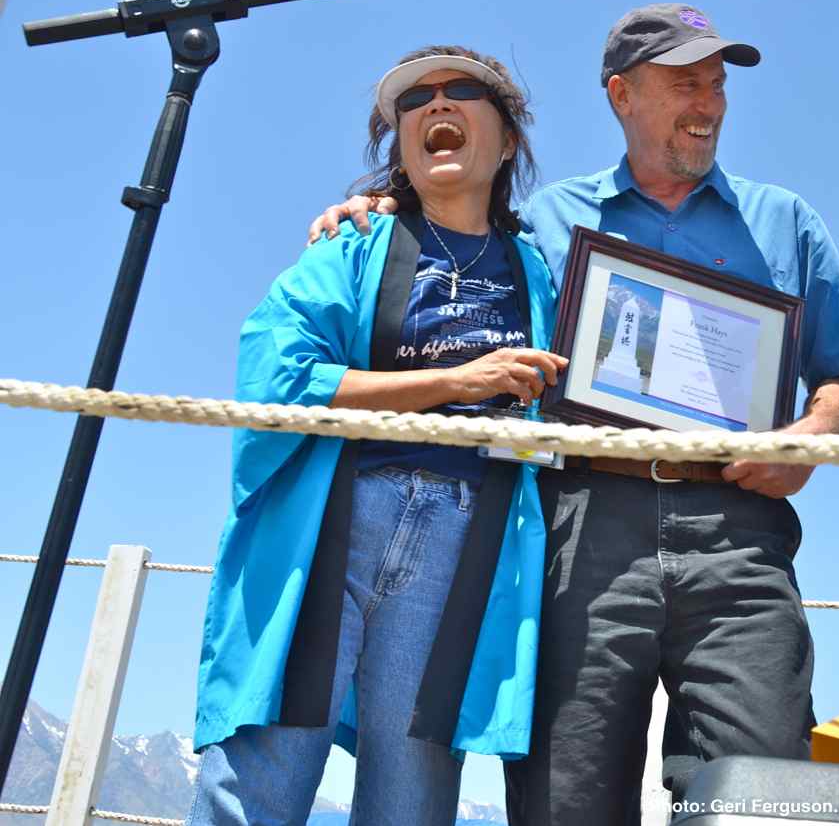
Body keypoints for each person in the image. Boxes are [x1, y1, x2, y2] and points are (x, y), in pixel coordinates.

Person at [308, 4, 839, 825]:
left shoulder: (786, 221)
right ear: (621, 94)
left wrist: (810, 438)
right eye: (685, 82)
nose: (708, 103)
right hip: (581, 527)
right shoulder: (545, 220)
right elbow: (452, 237)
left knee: (767, 793)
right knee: (564, 797)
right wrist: (376, 210)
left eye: (717, 84)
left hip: (741, 535)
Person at [188, 45, 565, 826]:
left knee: (412, 803)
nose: (437, 105)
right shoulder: (353, 244)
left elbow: (581, 407)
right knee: (256, 785)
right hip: (334, 523)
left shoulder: (543, 274)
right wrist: (456, 382)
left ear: (507, 140)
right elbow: (276, 377)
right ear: (401, 144)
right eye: (415, 101)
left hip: (470, 544)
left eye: (462, 90)